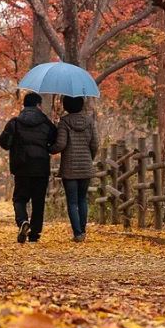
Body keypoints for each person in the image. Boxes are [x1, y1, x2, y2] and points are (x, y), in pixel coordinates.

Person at [0, 92, 56, 243]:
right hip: (41, 167)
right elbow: (55, 141)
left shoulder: (14, 123)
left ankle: (23, 221)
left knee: (20, 198)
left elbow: (4, 143)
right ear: (38, 105)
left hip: (21, 166)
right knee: (38, 201)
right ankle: (35, 234)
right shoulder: (46, 123)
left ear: (24, 105)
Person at [50, 96, 98, 242]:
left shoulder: (64, 122)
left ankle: (77, 233)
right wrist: (90, 158)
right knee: (82, 199)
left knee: (72, 201)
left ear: (66, 105)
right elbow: (95, 144)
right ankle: (83, 231)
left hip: (69, 169)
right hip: (85, 167)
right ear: (81, 105)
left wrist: (49, 149)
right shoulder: (90, 121)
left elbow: (61, 145)